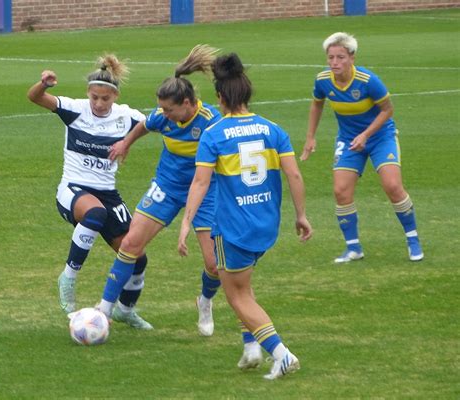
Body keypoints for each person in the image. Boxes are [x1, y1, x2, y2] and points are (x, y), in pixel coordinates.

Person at [178, 53, 313, 380]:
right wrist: (301, 215)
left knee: (237, 295)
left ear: (220, 97)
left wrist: (186, 222)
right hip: (266, 224)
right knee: (244, 287)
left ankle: (280, 353)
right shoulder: (273, 129)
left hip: (233, 228)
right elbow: (294, 175)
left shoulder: (214, 133)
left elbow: (200, 182)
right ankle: (251, 346)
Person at [96, 45, 222, 336]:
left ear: (189, 103)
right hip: (167, 186)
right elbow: (143, 125)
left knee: (214, 265)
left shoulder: (211, 122)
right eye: (161, 108)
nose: (163, 114)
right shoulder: (163, 117)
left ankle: (205, 301)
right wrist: (126, 143)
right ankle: (104, 309)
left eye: (169, 109)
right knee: (130, 244)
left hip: (205, 192)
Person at [27, 54, 153, 329]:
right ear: (88, 93)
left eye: (104, 99)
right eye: (94, 97)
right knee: (94, 213)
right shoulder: (75, 109)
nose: (98, 103)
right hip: (73, 189)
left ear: (115, 96)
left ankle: (125, 310)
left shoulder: (126, 116)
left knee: (137, 256)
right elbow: (34, 97)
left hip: (108, 192)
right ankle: (69, 277)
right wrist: (43, 84)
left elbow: (152, 123)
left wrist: (127, 142)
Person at [301, 32, 424, 263]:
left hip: (380, 136)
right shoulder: (323, 80)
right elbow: (317, 104)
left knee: (393, 185)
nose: (335, 62)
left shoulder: (368, 81)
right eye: (331, 57)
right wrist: (310, 137)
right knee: (341, 191)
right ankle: (353, 248)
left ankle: (413, 239)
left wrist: (366, 134)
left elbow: (388, 110)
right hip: (348, 139)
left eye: (340, 57)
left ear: (352, 57)